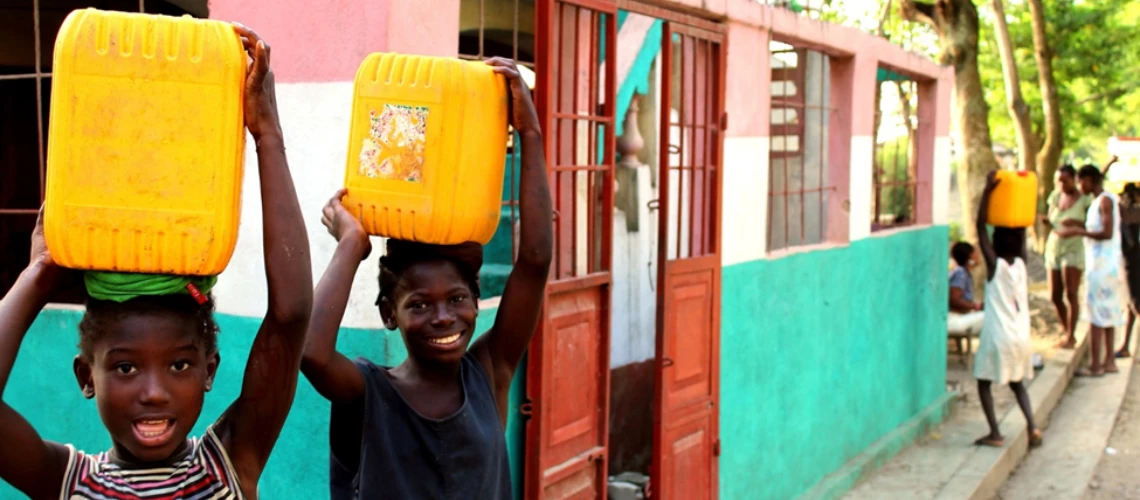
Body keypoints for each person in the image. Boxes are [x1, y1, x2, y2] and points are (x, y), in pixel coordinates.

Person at [0, 25, 313, 499]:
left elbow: (290, 317)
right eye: (126, 368)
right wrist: (40, 273)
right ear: (87, 375)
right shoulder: (67, 482)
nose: (154, 391)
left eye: (181, 366)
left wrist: (268, 134)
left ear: (210, 370)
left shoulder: (230, 462)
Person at [300, 57, 552, 499]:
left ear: (476, 301)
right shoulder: (368, 392)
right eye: (419, 304)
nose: (443, 317)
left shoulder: (489, 373)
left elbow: (533, 260)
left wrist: (528, 133)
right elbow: (311, 355)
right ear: (388, 314)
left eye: (456, 299)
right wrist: (351, 245)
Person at [972, 172, 1041, 448]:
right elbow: (1021, 230)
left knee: (983, 382)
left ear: (997, 243)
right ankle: (1033, 428)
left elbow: (979, 227)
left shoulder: (995, 267)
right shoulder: (1022, 266)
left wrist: (988, 191)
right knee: (1017, 384)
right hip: (1022, 337)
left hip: (998, 336)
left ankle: (995, 433)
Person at [1057, 164, 1125, 376]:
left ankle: (1096, 364)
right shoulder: (1101, 201)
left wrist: (1078, 231)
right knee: (1107, 313)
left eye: (1080, 181)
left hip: (1102, 267)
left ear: (1088, 180)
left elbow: (1106, 232)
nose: (1079, 186)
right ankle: (1109, 361)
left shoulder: (1104, 200)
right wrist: (1078, 224)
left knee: (1096, 316)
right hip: (1104, 266)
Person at [1042, 165, 1092, 349]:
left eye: (1065, 180)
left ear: (1073, 179)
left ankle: (1071, 336)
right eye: (1059, 181)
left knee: (1071, 293)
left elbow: (1093, 225)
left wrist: (1075, 224)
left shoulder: (1084, 200)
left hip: (1073, 248)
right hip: (1054, 247)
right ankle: (1066, 331)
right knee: (1054, 295)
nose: (1062, 184)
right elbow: (1052, 219)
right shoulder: (1055, 197)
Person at [1116, 183, 1140, 358]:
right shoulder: (1125, 212)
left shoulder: (1128, 213)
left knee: (1135, 304)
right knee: (1130, 305)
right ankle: (1124, 345)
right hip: (1129, 262)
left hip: (1133, 263)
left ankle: (1125, 345)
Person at [948, 242, 984, 335]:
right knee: (990, 316)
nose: (978, 256)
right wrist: (977, 306)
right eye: (976, 253)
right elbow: (954, 300)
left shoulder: (964, 273)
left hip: (960, 318)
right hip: (954, 320)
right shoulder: (961, 273)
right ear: (970, 256)